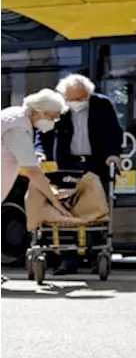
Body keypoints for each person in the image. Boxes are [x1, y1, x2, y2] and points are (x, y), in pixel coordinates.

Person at [35, 74, 123, 273]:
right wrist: (39, 151)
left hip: (96, 164)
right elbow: (42, 131)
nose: (76, 103)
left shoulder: (102, 105)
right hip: (68, 164)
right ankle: (68, 259)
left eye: (80, 99)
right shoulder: (59, 106)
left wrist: (113, 154)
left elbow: (114, 132)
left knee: (96, 210)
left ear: (88, 95)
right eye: (71, 99)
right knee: (66, 211)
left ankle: (96, 256)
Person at [0, 90, 72, 221]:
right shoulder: (18, 127)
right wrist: (55, 201)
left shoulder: (15, 115)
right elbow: (32, 171)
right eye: (52, 117)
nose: (54, 122)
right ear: (39, 111)